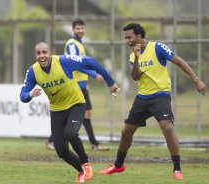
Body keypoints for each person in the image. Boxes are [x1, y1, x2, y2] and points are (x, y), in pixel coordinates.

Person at [99, 23, 207, 179]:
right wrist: (136, 58)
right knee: (126, 132)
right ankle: (118, 165)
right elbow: (135, 77)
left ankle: (177, 169)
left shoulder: (158, 47)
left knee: (167, 127)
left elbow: (179, 61)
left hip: (160, 95)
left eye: (129, 37)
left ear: (139, 36)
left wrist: (196, 80)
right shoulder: (132, 55)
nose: (127, 40)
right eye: (125, 38)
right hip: (142, 97)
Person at [20, 42, 120, 182]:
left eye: (45, 52)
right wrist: (30, 93)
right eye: (38, 53)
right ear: (35, 55)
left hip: (76, 104)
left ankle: (86, 164)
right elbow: (22, 96)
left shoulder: (63, 61)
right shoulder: (33, 71)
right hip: (56, 110)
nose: (42, 56)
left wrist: (110, 82)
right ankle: (81, 171)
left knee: (71, 133)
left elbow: (90, 62)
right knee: (61, 151)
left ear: (51, 53)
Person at [45, 18, 109, 151]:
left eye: (82, 28)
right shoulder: (72, 44)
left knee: (85, 114)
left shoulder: (79, 44)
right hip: (75, 85)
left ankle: (92, 143)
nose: (80, 30)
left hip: (82, 84)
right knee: (84, 114)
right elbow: (77, 65)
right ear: (73, 30)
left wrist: (86, 82)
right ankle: (93, 143)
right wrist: (94, 74)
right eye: (78, 28)